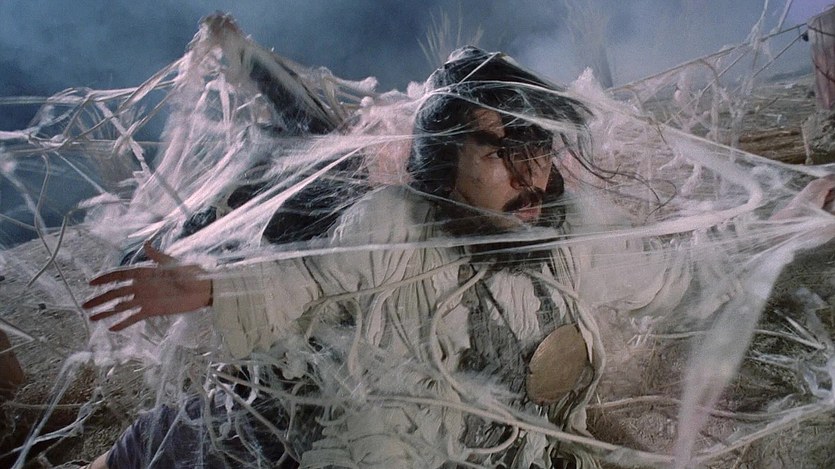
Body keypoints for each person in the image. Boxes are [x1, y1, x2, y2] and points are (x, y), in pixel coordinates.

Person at [82, 47, 835, 469]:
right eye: (501, 151)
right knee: (190, 441)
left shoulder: (575, 234)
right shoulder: (393, 224)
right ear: (445, 158)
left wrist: (791, 223)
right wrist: (210, 286)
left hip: (494, 447)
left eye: (538, 147)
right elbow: (306, 279)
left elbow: (687, 280)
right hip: (345, 429)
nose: (530, 174)